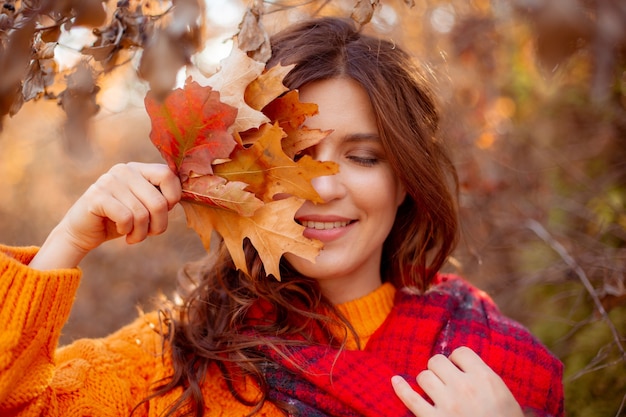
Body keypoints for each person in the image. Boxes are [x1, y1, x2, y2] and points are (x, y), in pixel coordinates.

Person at [0, 16, 563, 417]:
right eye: (290, 156)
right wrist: (68, 241)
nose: (320, 187)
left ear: (405, 183)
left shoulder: (487, 362)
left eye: (363, 157)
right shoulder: (173, 362)